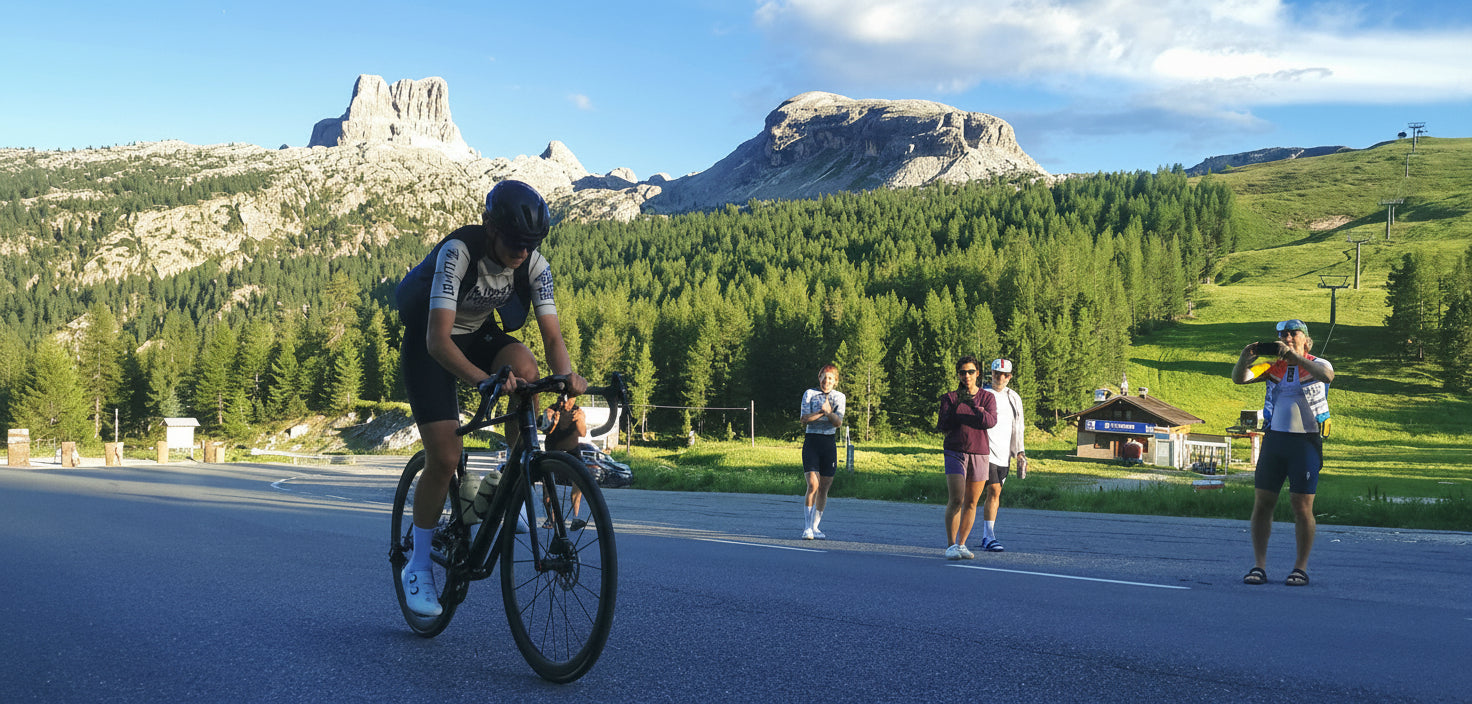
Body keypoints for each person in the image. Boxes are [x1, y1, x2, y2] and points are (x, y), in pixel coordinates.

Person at [394, 180, 587, 617]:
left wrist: (567, 380)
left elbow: (551, 335)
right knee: (445, 456)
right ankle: (418, 565)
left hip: (479, 335)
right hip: (433, 342)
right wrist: (484, 380)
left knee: (528, 368)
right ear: (490, 227)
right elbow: (440, 341)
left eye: (531, 244)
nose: (523, 252)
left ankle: (509, 479)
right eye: (516, 242)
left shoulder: (534, 264)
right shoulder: (458, 252)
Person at [1232, 319, 1334, 587]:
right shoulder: (1273, 367)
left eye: (1293, 333)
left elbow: (1326, 377)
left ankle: (1300, 568)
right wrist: (1245, 358)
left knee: (1302, 507)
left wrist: (1295, 358)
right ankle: (1259, 565)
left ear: (1306, 340)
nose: (1287, 337)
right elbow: (1240, 378)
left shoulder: (1318, 362)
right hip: (1275, 440)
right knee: (1263, 503)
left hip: (1305, 442)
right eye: (1282, 335)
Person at [938, 355, 997, 559]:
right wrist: (956, 407)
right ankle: (950, 545)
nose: (967, 376)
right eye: (962, 372)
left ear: (978, 373)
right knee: (956, 499)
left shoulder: (987, 398)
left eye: (971, 372)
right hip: (955, 451)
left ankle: (962, 544)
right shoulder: (950, 398)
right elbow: (943, 425)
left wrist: (973, 406)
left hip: (980, 452)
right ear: (958, 375)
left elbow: (990, 421)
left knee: (972, 502)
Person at [980, 358, 1026, 553]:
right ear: (991, 374)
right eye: (996, 373)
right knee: (993, 490)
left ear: (1010, 376)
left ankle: (985, 534)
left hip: (1003, 453)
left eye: (1004, 374)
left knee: (994, 493)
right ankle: (989, 536)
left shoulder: (1013, 397)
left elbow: (1018, 426)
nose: (1000, 378)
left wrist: (1020, 452)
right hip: (983, 451)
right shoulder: (982, 394)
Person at [798, 364, 845, 539]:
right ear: (819, 378)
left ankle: (816, 527)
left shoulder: (839, 397)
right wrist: (821, 412)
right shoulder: (809, 394)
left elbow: (838, 422)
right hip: (812, 442)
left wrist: (829, 413)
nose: (826, 381)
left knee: (824, 487)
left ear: (835, 381)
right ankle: (807, 527)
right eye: (823, 377)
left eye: (830, 378)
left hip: (828, 443)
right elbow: (804, 419)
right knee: (813, 484)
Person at [543, 394, 589, 530]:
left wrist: (580, 420)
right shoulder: (550, 410)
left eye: (570, 400)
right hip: (553, 450)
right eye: (565, 400)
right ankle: (551, 518)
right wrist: (554, 422)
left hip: (573, 451)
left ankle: (575, 518)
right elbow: (546, 431)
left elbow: (583, 433)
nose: (567, 404)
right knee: (548, 487)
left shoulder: (578, 411)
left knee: (579, 483)